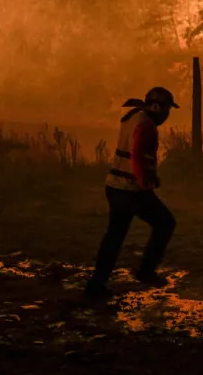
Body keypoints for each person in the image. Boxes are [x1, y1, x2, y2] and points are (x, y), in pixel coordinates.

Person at [85, 87, 179, 300]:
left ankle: (95, 285)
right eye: (165, 109)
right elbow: (137, 156)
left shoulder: (134, 116)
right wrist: (146, 182)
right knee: (165, 223)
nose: (166, 114)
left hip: (115, 185)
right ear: (155, 106)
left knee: (115, 236)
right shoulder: (146, 125)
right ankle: (146, 271)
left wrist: (150, 176)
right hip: (130, 189)